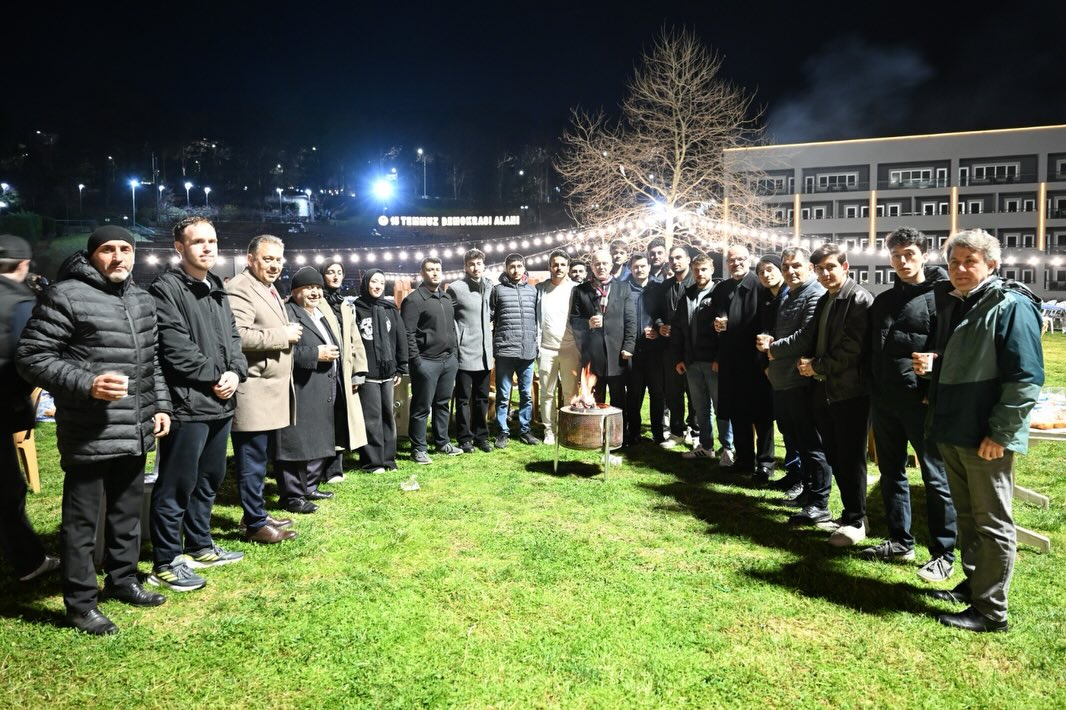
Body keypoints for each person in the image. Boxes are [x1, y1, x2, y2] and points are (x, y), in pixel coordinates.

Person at [17, 226, 171, 635]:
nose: (118, 257)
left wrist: (160, 405)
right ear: (91, 255)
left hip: (134, 427)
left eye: (126, 249)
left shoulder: (141, 299)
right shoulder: (65, 295)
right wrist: (87, 383)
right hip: (90, 429)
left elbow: (152, 362)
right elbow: (32, 356)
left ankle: (123, 580)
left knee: (126, 513)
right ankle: (81, 603)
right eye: (108, 249)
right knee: (81, 523)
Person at [921, 229, 1043, 633]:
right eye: (953, 262)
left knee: (992, 522)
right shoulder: (960, 302)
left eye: (969, 261)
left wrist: (1002, 433)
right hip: (955, 427)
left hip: (983, 434)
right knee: (969, 518)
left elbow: (1025, 377)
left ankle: (991, 611)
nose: (959, 269)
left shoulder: (1010, 304)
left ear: (992, 264)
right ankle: (975, 586)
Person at [147, 217, 248, 593]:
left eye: (212, 241)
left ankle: (200, 545)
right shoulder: (166, 289)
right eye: (198, 242)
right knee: (177, 484)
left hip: (221, 404)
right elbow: (174, 348)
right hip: (188, 404)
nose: (207, 247)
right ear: (179, 248)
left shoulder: (217, 287)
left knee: (209, 480)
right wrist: (216, 377)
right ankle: (166, 560)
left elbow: (233, 339)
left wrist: (235, 373)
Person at [862, 227, 957, 583]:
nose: (903, 261)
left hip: (921, 401)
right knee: (891, 473)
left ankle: (943, 553)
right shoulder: (884, 300)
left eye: (910, 254)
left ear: (924, 256)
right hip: (884, 399)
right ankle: (900, 541)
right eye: (897, 255)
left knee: (935, 477)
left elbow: (954, 348)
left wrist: (933, 375)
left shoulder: (943, 298)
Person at [766, 245, 873, 547]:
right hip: (827, 389)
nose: (825, 273)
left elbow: (852, 350)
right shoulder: (828, 297)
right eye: (821, 268)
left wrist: (816, 366)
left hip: (851, 391)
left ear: (845, 267)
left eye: (831, 267)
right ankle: (850, 514)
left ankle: (856, 519)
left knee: (850, 459)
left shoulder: (858, 299)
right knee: (837, 455)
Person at [274, 266, 366, 514]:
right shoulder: (288, 313)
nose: (315, 292)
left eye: (317, 288)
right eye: (309, 288)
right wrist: (316, 354)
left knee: (320, 438)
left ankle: (309, 486)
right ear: (295, 291)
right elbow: (283, 352)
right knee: (298, 443)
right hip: (302, 387)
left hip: (325, 385)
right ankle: (292, 496)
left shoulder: (319, 314)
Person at [227, 235, 300, 544]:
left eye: (278, 260)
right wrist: (283, 335)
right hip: (253, 390)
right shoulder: (240, 288)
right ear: (250, 259)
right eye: (268, 259)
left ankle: (254, 513)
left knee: (258, 459)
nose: (274, 265)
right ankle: (255, 523)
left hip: (267, 391)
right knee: (251, 460)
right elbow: (238, 335)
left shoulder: (265, 287)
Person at [0, 234, 58, 584]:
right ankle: (29, 561)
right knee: (8, 490)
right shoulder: (20, 302)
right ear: (23, 265)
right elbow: (31, 357)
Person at [756, 247, 827, 504]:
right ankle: (804, 488)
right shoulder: (789, 295)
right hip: (783, 380)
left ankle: (817, 499)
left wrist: (773, 348)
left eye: (796, 265)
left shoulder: (815, 293)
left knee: (810, 444)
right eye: (786, 266)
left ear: (810, 267)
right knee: (795, 438)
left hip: (800, 380)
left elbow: (806, 337)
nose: (790, 271)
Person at [712, 245, 773, 477]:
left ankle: (765, 462)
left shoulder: (759, 285)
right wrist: (718, 324)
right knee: (738, 413)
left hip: (755, 361)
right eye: (731, 260)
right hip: (731, 361)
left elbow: (766, 322)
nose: (736, 263)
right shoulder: (723, 288)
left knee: (761, 414)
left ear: (749, 260)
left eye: (741, 259)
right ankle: (744, 459)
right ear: (726, 263)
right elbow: (717, 314)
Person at [402, 257, 461, 463]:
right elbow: (407, 334)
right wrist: (417, 362)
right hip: (426, 362)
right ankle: (418, 448)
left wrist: (454, 355)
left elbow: (452, 328)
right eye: (430, 269)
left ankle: (442, 442)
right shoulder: (414, 300)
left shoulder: (446, 298)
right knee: (421, 407)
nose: (435, 273)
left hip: (448, 361)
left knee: (442, 404)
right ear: (422, 273)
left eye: (437, 269)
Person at [353, 269, 408, 471]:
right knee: (371, 419)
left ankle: (388, 459)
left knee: (388, 417)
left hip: (388, 373)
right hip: (367, 374)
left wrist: (400, 367)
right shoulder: (356, 309)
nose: (377, 286)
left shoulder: (390, 309)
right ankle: (373, 462)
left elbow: (400, 338)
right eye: (373, 282)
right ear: (366, 283)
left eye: (381, 283)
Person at [670, 253, 721, 460]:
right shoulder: (687, 294)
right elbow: (678, 329)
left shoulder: (719, 293)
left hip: (713, 361)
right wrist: (679, 358)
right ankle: (706, 446)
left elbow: (724, 330)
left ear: (712, 270)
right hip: (691, 361)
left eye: (704, 269)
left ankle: (728, 448)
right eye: (696, 270)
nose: (700, 273)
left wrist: (719, 357)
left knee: (720, 407)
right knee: (701, 407)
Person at [570, 249, 636, 409]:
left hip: (617, 354)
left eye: (605, 263)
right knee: (594, 401)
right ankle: (595, 426)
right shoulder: (580, 290)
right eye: (597, 264)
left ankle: (619, 426)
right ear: (592, 266)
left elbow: (630, 320)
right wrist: (587, 323)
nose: (601, 267)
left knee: (618, 401)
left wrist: (629, 346)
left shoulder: (623, 288)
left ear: (611, 265)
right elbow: (573, 320)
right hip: (593, 356)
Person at [490, 253, 541, 447]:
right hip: (505, 351)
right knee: (504, 395)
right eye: (512, 266)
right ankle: (502, 430)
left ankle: (525, 429)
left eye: (519, 266)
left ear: (524, 268)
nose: (515, 270)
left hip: (527, 350)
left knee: (526, 394)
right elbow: (490, 316)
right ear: (506, 268)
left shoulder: (532, 291)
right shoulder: (497, 291)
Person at [448, 249, 494, 453]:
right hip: (465, 351)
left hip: (485, 354)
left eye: (479, 263)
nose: (476, 268)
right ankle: (464, 438)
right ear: (465, 266)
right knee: (463, 399)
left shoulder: (490, 286)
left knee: (482, 397)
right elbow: (449, 319)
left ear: (484, 265)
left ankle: (481, 436)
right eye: (471, 264)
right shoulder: (456, 288)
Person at [651, 245, 696, 449]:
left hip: (692, 346)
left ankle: (695, 431)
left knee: (695, 392)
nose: (675, 262)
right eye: (672, 259)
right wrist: (660, 326)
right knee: (673, 391)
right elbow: (656, 313)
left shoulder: (696, 283)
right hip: (670, 347)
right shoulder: (665, 286)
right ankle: (677, 431)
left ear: (688, 259)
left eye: (679, 257)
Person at [536, 249, 580, 446]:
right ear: (549, 267)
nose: (559, 268)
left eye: (562, 264)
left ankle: (568, 428)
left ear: (568, 267)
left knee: (570, 392)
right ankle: (549, 430)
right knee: (547, 393)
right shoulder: (541, 289)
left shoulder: (576, 289)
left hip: (571, 348)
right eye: (555, 264)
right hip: (546, 348)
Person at [623, 253, 665, 445]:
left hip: (654, 350)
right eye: (635, 267)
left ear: (649, 267)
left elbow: (663, 314)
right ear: (631, 269)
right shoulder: (624, 288)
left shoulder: (659, 288)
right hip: (633, 350)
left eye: (642, 266)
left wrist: (658, 330)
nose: (639, 269)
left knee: (657, 393)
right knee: (633, 394)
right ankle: (634, 432)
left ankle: (658, 432)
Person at [319, 260, 353, 483]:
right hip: (323, 368)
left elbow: (353, 338)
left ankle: (335, 468)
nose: (335, 276)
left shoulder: (344, 304)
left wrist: (358, 371)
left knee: (340, 417)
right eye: (330, 272)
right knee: (325, 419)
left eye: (339, 272)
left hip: (343, 370)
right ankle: (320, 468)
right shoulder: (316, 300)